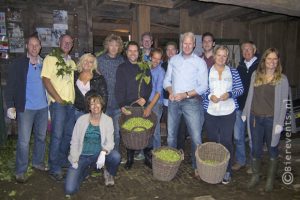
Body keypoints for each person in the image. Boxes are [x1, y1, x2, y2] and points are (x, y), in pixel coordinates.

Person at [242, 48, 289, 192]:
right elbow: (250, 95)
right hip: (255, 119)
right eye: (269, 59)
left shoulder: (282, 79)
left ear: (278, 62)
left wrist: (280, 123)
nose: (272, 62)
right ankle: (255, 176)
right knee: (255, 148)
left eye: (275, 59)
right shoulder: (256, 75)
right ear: (264, 60)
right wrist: (245, 112)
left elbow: (284, 102)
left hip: (271, 121)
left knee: (272, 149)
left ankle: (270, 180)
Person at [163, 32, 208, 177]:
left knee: (196, 137)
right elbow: (166, 81)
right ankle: (170, 164)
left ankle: (197, 166)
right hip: (174, 101)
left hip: (191, 102)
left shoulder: (199, 62)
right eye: (185, 43)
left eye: (190, 43)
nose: (187, 46)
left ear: (194, 45)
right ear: (181, 44)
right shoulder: (173, 60)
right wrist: (170, 91)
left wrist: (186, 94)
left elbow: (203, 86)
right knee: (170, 136)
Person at [5, 35, 48, 183]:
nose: (34, 48)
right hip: (26, 108)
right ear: (26, 46)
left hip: (43, 107)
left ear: (40, 46)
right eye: (31, 45)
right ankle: (20, 170)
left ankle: (37, 162)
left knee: (41, 137)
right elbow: (10, 85)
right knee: (23, 141)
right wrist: (10, 105)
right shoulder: (19, 64)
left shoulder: (45, 63)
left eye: (37, 45)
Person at [203, 45, 244, 184]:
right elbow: (202, 89)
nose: (221, 58)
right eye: (219, 55)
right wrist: (209, 96)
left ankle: (227, 171)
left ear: (227, 57)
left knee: (227, 141)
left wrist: (230, 94)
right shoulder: (207, 71)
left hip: (228, 111)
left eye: (224, 56)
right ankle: (215, 168)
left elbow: (240, 89)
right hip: (211, 112)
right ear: (214, 56)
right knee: (212, 140)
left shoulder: (233, 71)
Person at [65, 94, 121, 196]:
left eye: (97, 103)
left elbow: (110, 142)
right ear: (88, 107)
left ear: (102, 104)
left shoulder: (108, 120)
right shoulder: (81, 120)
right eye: (92, 104)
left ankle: (109, 173)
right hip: (81, 156)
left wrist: (103, 153)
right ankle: (87, 169)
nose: (95, 106)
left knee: (116, 156)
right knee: (70, 190)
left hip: (98, 155)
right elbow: (74, 141)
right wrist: (74, 159)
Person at [41, 34, 76, 181]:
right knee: (57, 135)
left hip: (71, 104)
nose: (67, 44)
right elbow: (45, 79)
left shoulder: (72, 62)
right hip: (58, 104)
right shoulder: (51, 58)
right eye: (65, 42)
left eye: (70, 42)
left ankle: (62, 160)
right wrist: (58, 99)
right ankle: (54, 166)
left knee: (68, 135)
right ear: (59, 42)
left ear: (72, 44)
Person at [115, 41, 152, 170]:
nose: (132, 53)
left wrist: (145, 98)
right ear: (126, 52)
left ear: (139, 52)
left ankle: (147, 158)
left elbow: (149, 85)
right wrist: (121, 105)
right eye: (130, 50)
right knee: (130, 132)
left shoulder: (144, 67)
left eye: (135, 51)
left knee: (146, 131)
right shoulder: (122, 68)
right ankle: (130, 159)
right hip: (128, 106)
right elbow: (118, 88)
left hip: (142, 105)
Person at [232, 41, 259, 172]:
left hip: (254, 107)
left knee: (254, 137)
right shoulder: (240, 67)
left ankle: (254, 164)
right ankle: (241, 160)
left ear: (254, 50)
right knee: (238, 136)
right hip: (240, 107)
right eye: (244, 50)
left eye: (249, 49)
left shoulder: (260, 66)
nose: (246, 52)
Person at [97, 34, 124, 152]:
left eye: (116, 45)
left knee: (117, 134)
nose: (113, 47)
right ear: (107, 45)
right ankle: (103, 159)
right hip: (104, 103)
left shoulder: (121, 60)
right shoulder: (100, 60)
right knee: (104, 134)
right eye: (111, 45)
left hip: (118, 104)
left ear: (119, 47)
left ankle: (115, 157)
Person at [161, 42, 187, 150]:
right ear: (166, 52)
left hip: (181, 100)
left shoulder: (183, 64)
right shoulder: (162, 65)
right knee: (170, 128)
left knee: (181, 127)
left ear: (177, 51)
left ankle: (180, 149)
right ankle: (172, 150)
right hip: (167, 101)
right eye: (168, 50)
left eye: (173, 49)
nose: (170, 52)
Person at [74, 53, 108, 121]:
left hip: (94, 112)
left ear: (93, 64)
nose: (87, 63)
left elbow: (104, 97)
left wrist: (100, 113)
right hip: (77, 112)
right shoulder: (74, 75)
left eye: (90, 62)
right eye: (85, 60)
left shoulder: (98, 78)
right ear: (81, 61)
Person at [143, 48, 165, 149]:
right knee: (145, 128)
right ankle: (145, 151)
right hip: (146, 102)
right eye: (154, 58)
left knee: (155, 130)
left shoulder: (161, 71)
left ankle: (157, 152)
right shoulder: (147, 68)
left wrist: (149, 107)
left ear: (161, 60)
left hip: (155, 103)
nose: (156, 61)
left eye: (158, 59)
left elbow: (158, 92)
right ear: (150, 57)